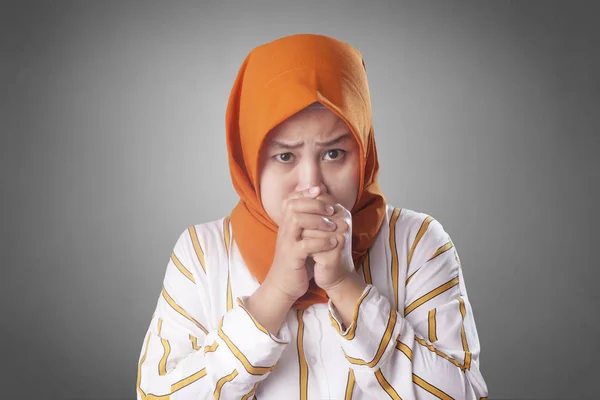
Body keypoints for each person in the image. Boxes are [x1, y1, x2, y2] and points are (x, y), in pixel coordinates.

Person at [136, 33, 489, 400]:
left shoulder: (417, 243)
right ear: (250, 161)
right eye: (285, 157)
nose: (312, 186)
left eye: (334, 153)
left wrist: (345, 287)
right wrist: (275, 293)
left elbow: (463, 394)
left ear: (364, 149)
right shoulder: (201, 254)